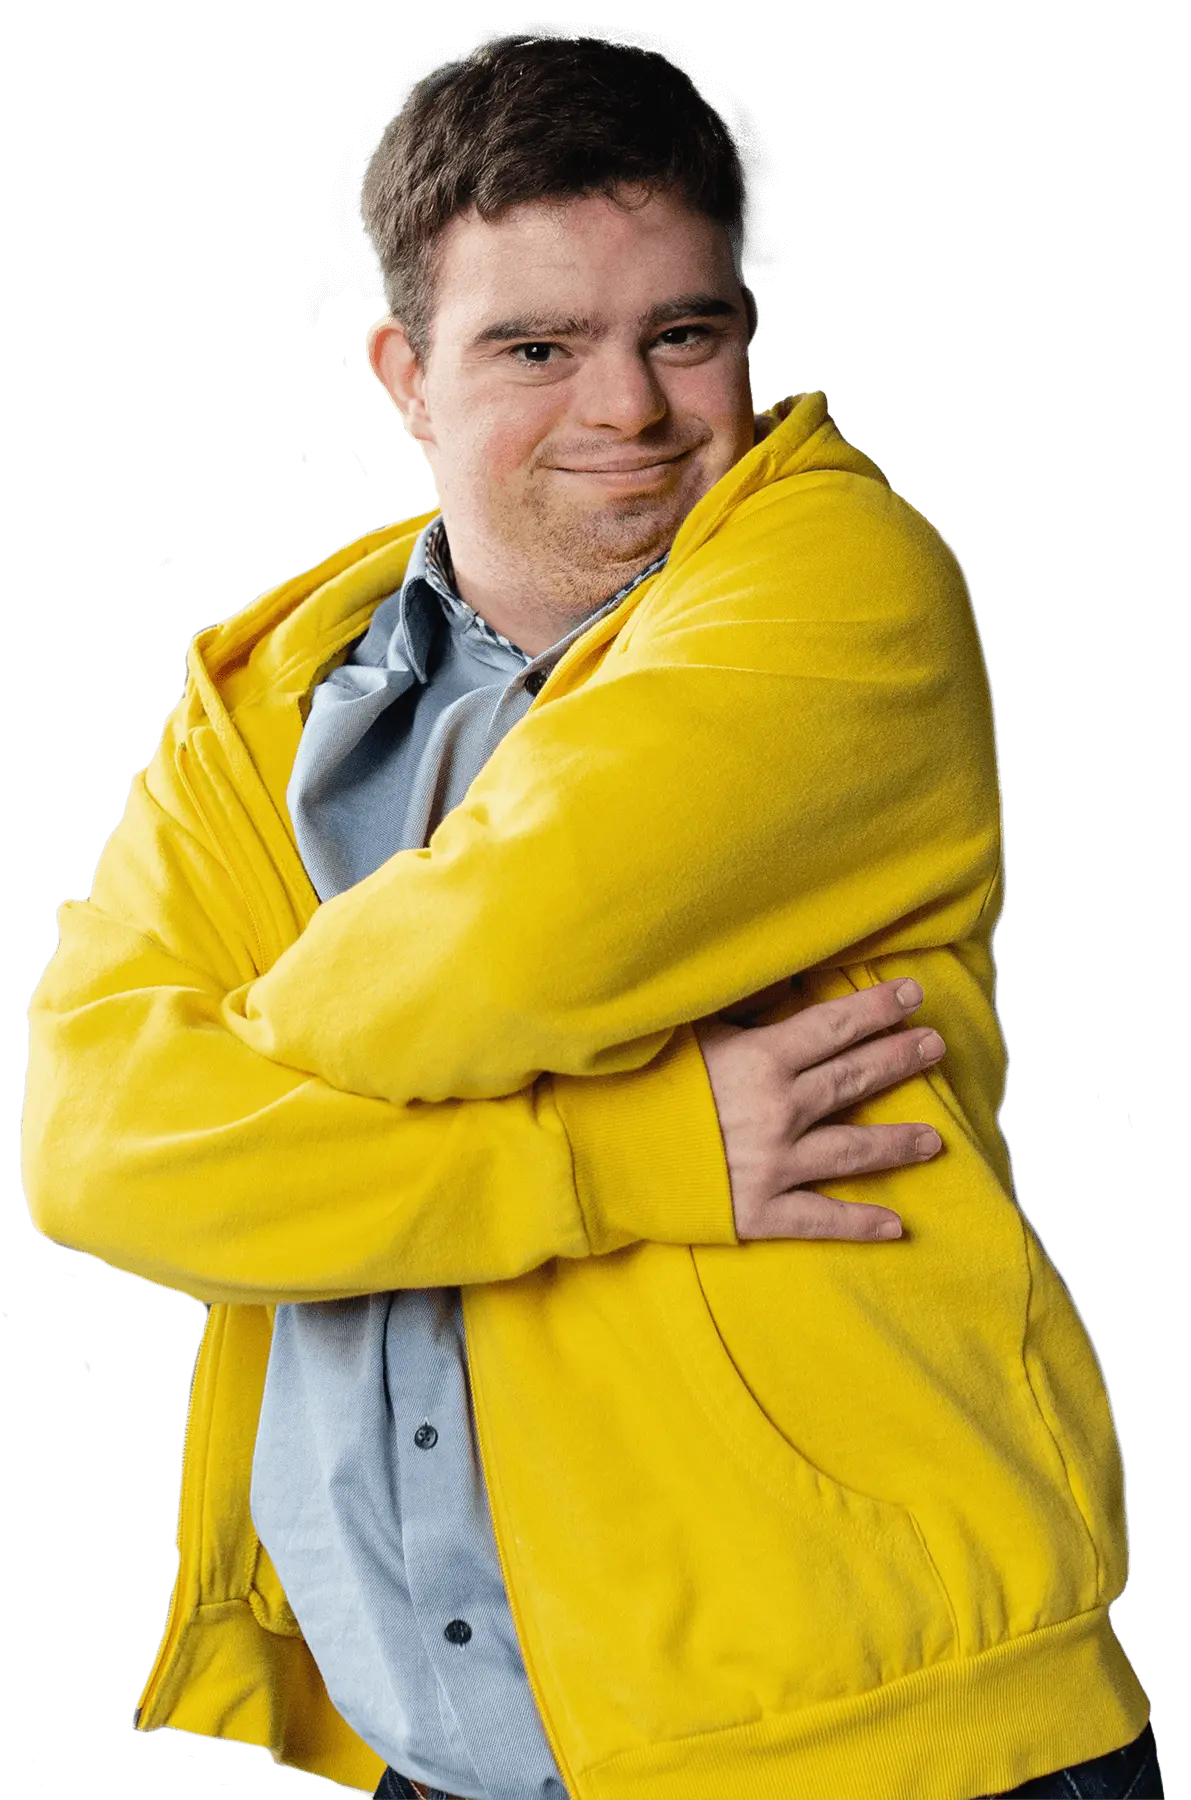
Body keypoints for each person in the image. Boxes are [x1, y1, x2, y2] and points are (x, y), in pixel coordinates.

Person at [21, 34, 1160, 1800]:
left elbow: (486, 970)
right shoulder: (267, 701)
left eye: (680, 334)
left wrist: (230, 1095)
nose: (626, 408)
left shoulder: (833, 589)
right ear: (403, 373)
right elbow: (94, 1158)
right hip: (448, 1753)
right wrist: (625, 1155)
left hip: (869, 1751)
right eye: (537, 348)